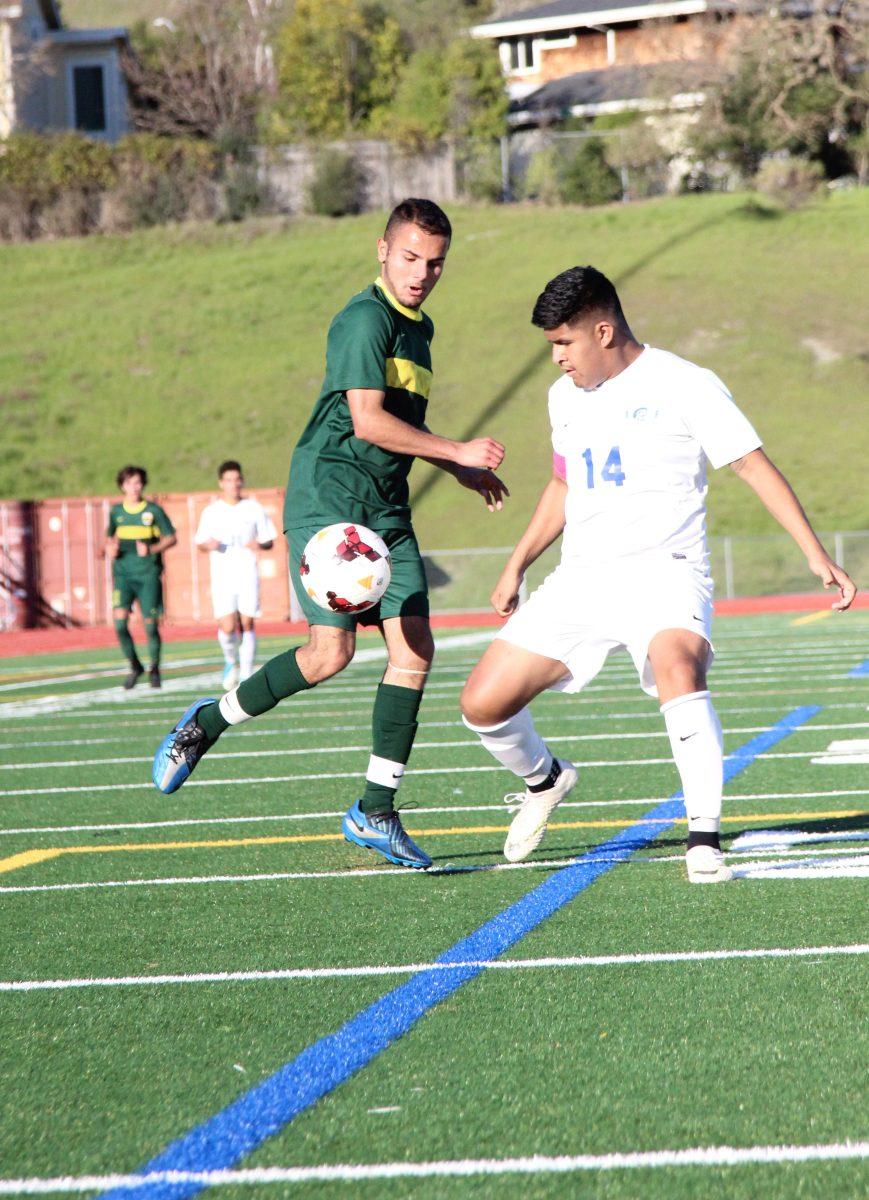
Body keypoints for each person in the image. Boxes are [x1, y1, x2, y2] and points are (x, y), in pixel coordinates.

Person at [460, 266, 856, 883]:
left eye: (565, 343)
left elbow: (751, 465)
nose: (558, 358)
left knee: (679, 669)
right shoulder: (562, 397)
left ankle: (703, 840)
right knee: (482, 705)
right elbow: (565, 484)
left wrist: (815, 553)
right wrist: (517, 564)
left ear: (604, 329)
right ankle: (545, 779)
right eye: (552, 347)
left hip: (665, 574)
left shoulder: (685, 384)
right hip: (582, 579)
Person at [153, 198, 508, 869]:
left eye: (434, 263)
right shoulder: (362, 320)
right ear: (382, 250)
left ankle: (374, 810)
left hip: (386, 506)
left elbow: (398, 424)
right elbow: (368, 422)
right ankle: (205, 723)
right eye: (409, 257)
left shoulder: (420, 330)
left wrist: (448, 465)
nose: (421, 273)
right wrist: (458, 449)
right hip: (329, 499)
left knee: (415, 649)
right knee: (328, 655)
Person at [194, 460, 277, 689]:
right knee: (228, 626)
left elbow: (269, 539)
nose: (233, 484)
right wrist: (207, 545)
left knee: (248, 621)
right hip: (222, 574)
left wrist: (260, 544)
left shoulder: (253, 508)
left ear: (242, 481)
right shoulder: (212, 511)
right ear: (221, 483)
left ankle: (247, 673)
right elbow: (200, 542)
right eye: (228, 480)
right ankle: (230, 661)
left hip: (247, 572)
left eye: (237, 479)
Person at [106, 465, 177, 689]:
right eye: (129, 483)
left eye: (137, 483)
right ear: (122, 486)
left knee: (150, 625)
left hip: (147, 574)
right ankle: (135, 665)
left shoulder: (153, 511)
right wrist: (109, 549)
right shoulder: (116, 512)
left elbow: (171, 537)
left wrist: (153, 549)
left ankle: (155, 667)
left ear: (143, 485)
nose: (134, 487)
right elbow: (108, 541)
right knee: (119, 624)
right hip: (123, 575)